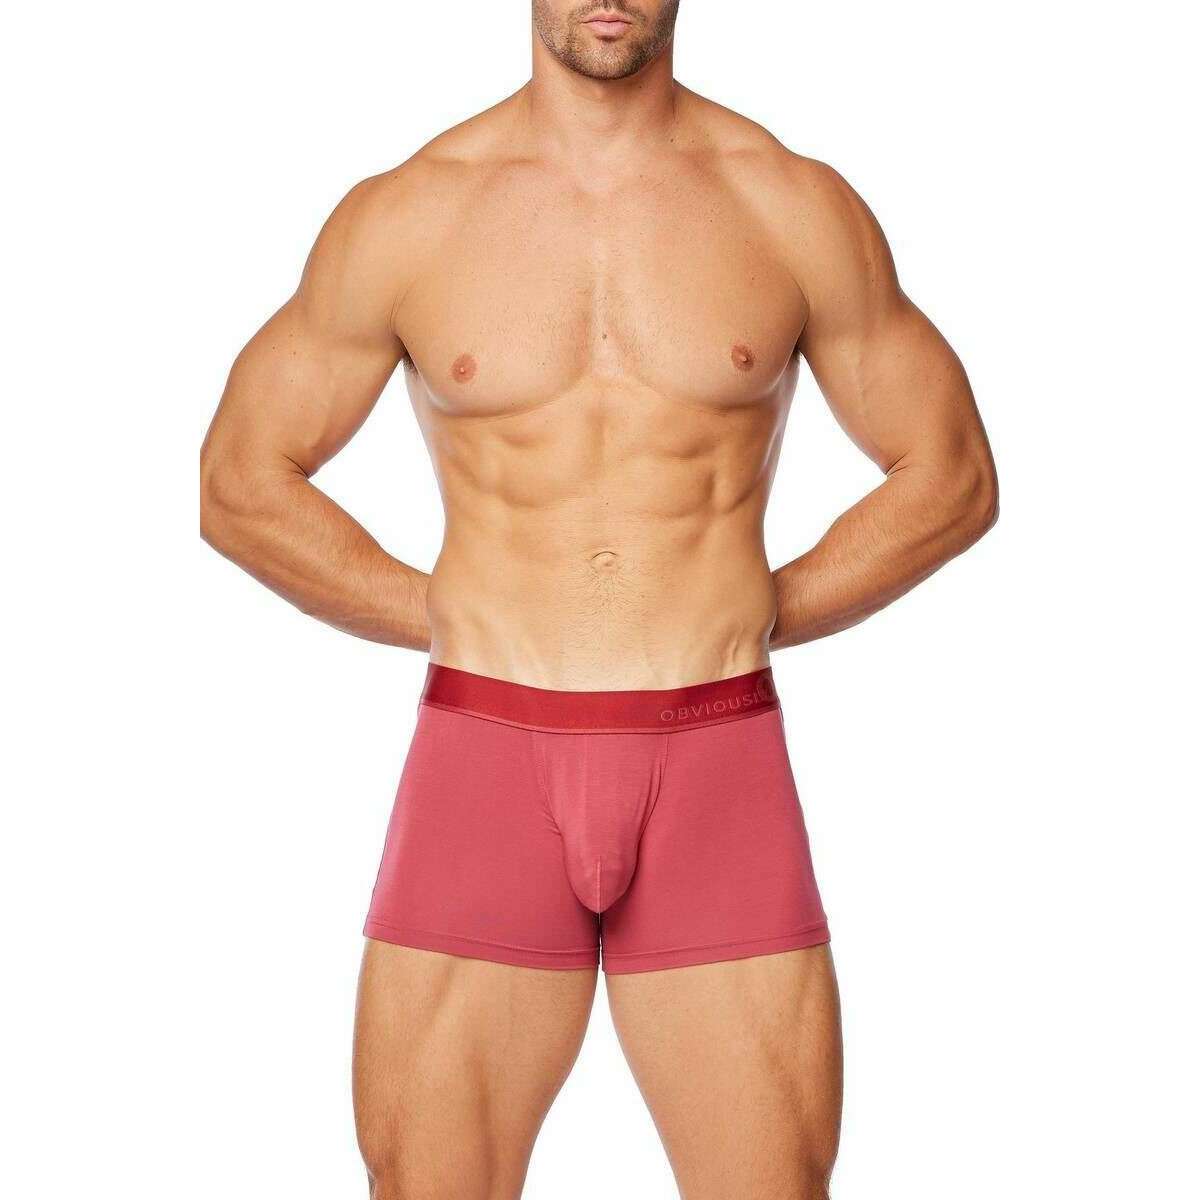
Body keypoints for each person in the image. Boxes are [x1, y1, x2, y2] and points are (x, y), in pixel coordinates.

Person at [200, 2, 998, 1196]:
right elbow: (240, 485)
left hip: (715, 760)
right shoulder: (413, 213)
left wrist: (760, 609)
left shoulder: (789, 203)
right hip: (485, 756)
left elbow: (952, 475)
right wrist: (448, 613)